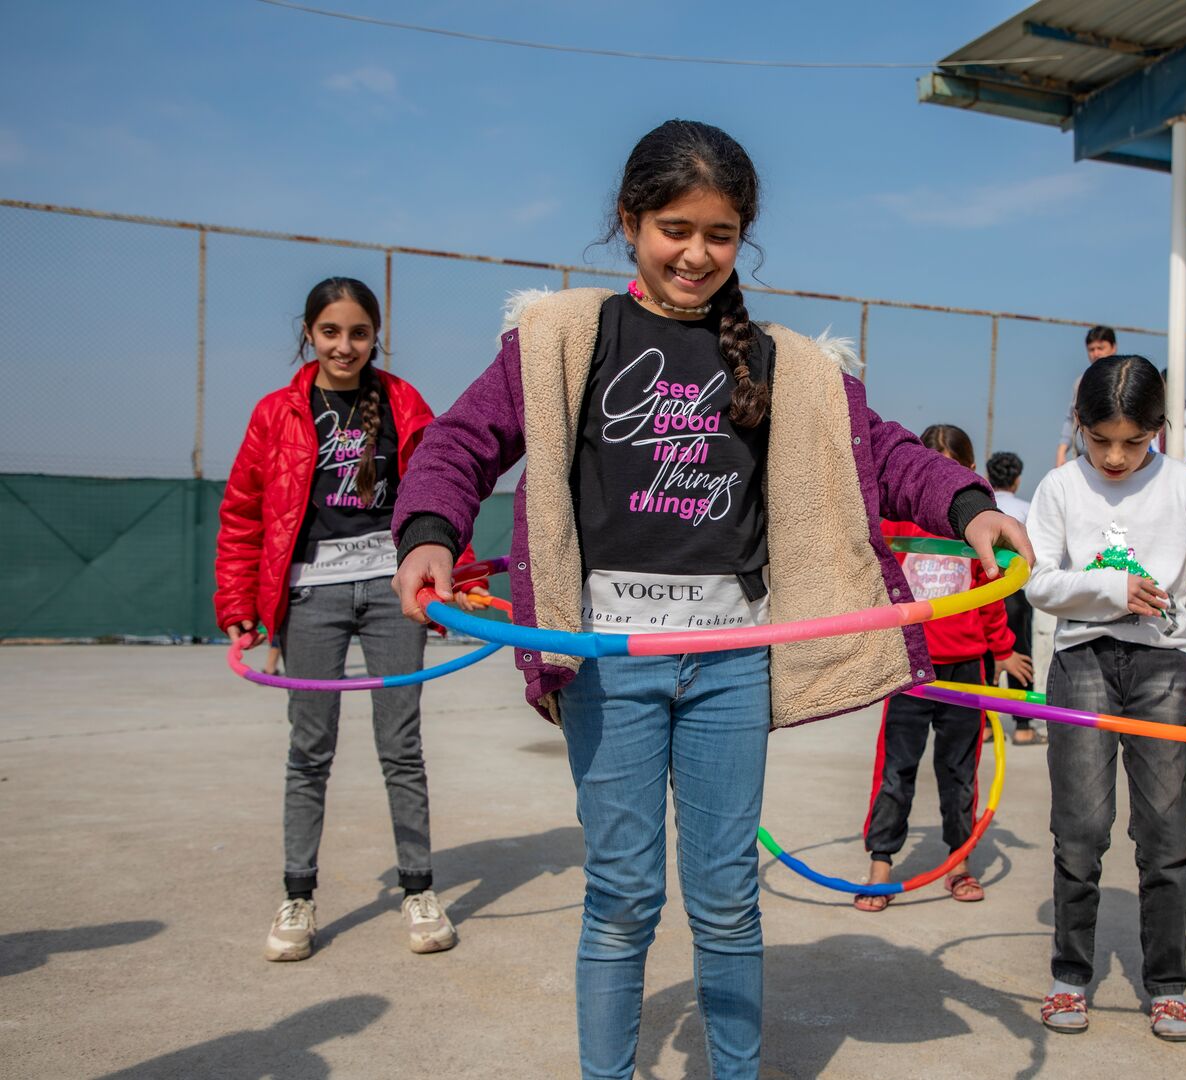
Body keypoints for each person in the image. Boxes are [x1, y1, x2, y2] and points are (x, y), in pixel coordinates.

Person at [388, 120, 1033, 1080]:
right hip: (609, 661)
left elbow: (886, 455)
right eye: (674, 228)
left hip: (730, 660)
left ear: (744, 236)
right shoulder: (568, 336)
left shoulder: (782, 363)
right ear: (630, 222)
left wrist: (970, 505)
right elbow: (459, 441)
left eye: (720, 233)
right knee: (621, 895)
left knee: (727, 894)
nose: (695, 253)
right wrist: (431, 532)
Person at [215, 277, 485, 963]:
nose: (344, 345)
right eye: (331, 332)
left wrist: (466, 577)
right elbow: (245, 515)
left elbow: (441, 492)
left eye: (358, 333)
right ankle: (298, 896)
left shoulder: (402, 402)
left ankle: (419, 889)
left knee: (402, 746)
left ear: (375, 336)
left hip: (392, 590)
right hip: (311, 596)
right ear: (309, 333)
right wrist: (240, 610)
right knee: (310, 750)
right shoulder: (277, 413)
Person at [1024, 355, 1186, 1041]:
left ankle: (1168, 985)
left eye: (1135, 441)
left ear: (1160, 428)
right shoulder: (1061, 487)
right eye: (1102, 441)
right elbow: (1039, 584)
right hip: (1082, 660)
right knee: (1082, 830)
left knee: (1163, 832)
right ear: (1081, 427)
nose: (1118, 456)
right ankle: (1070, 975)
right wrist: (1109, 588)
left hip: (1161, 665)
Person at [860, 428, 1034, 913]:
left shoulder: (975, 526)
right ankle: (881, 862)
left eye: (951, 466)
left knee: (959, 770)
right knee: (896, 768)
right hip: (911, 666)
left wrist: (1002, 650)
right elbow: (877, 589)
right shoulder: (897, 526)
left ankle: (958, 862)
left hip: (965, 667)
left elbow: (991, 598)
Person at [987, 451, 1040, 744]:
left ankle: (982, 724)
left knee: (984, 654)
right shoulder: (1027, 508)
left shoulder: (984, 507)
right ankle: (1022, 725)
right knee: (1021, 654)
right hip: (1016, 594)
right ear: (1017, 480)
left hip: (985, 591)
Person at [1055, 326, 1117, 467]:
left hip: (1112, 459)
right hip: (1084, 458)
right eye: (1091, 349)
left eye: (1101, 348)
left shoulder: (1124, 380)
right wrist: (1061, 450)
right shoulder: (1080, 382)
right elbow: (1071, 418)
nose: (1096, 353)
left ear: (1113, 347)